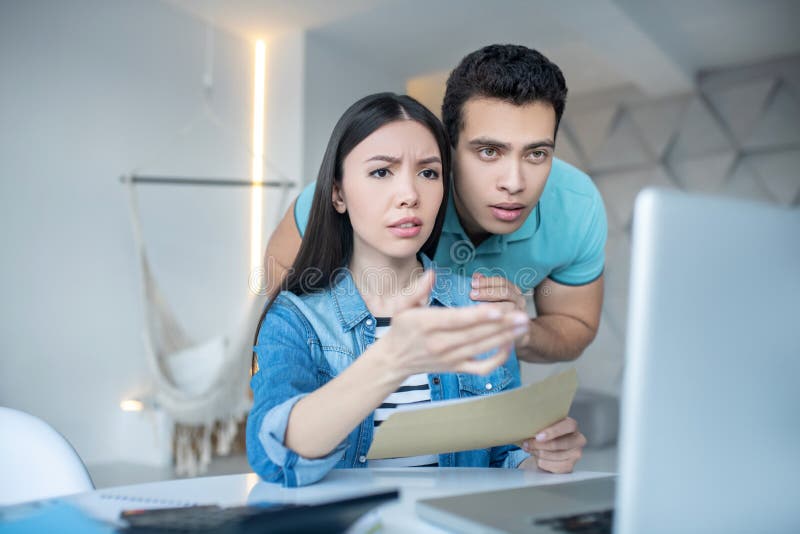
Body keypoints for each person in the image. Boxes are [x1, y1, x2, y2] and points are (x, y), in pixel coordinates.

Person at [247, 93, 585, 488]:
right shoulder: (296, 318)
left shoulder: (478, 306)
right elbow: (273, 456)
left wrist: (543, 459)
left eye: (428, 173)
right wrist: (391, 360)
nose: (410, 194)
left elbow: (501, 457)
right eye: (381, 172)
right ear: (338, 193)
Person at [267, 44, 606, 367]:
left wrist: (521, 333)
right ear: (447, 147)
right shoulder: (352, 195)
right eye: (489, 152)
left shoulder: (576, 207)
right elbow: (280, 275)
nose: (514, 182)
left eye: (536, 154)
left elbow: (575, 324)